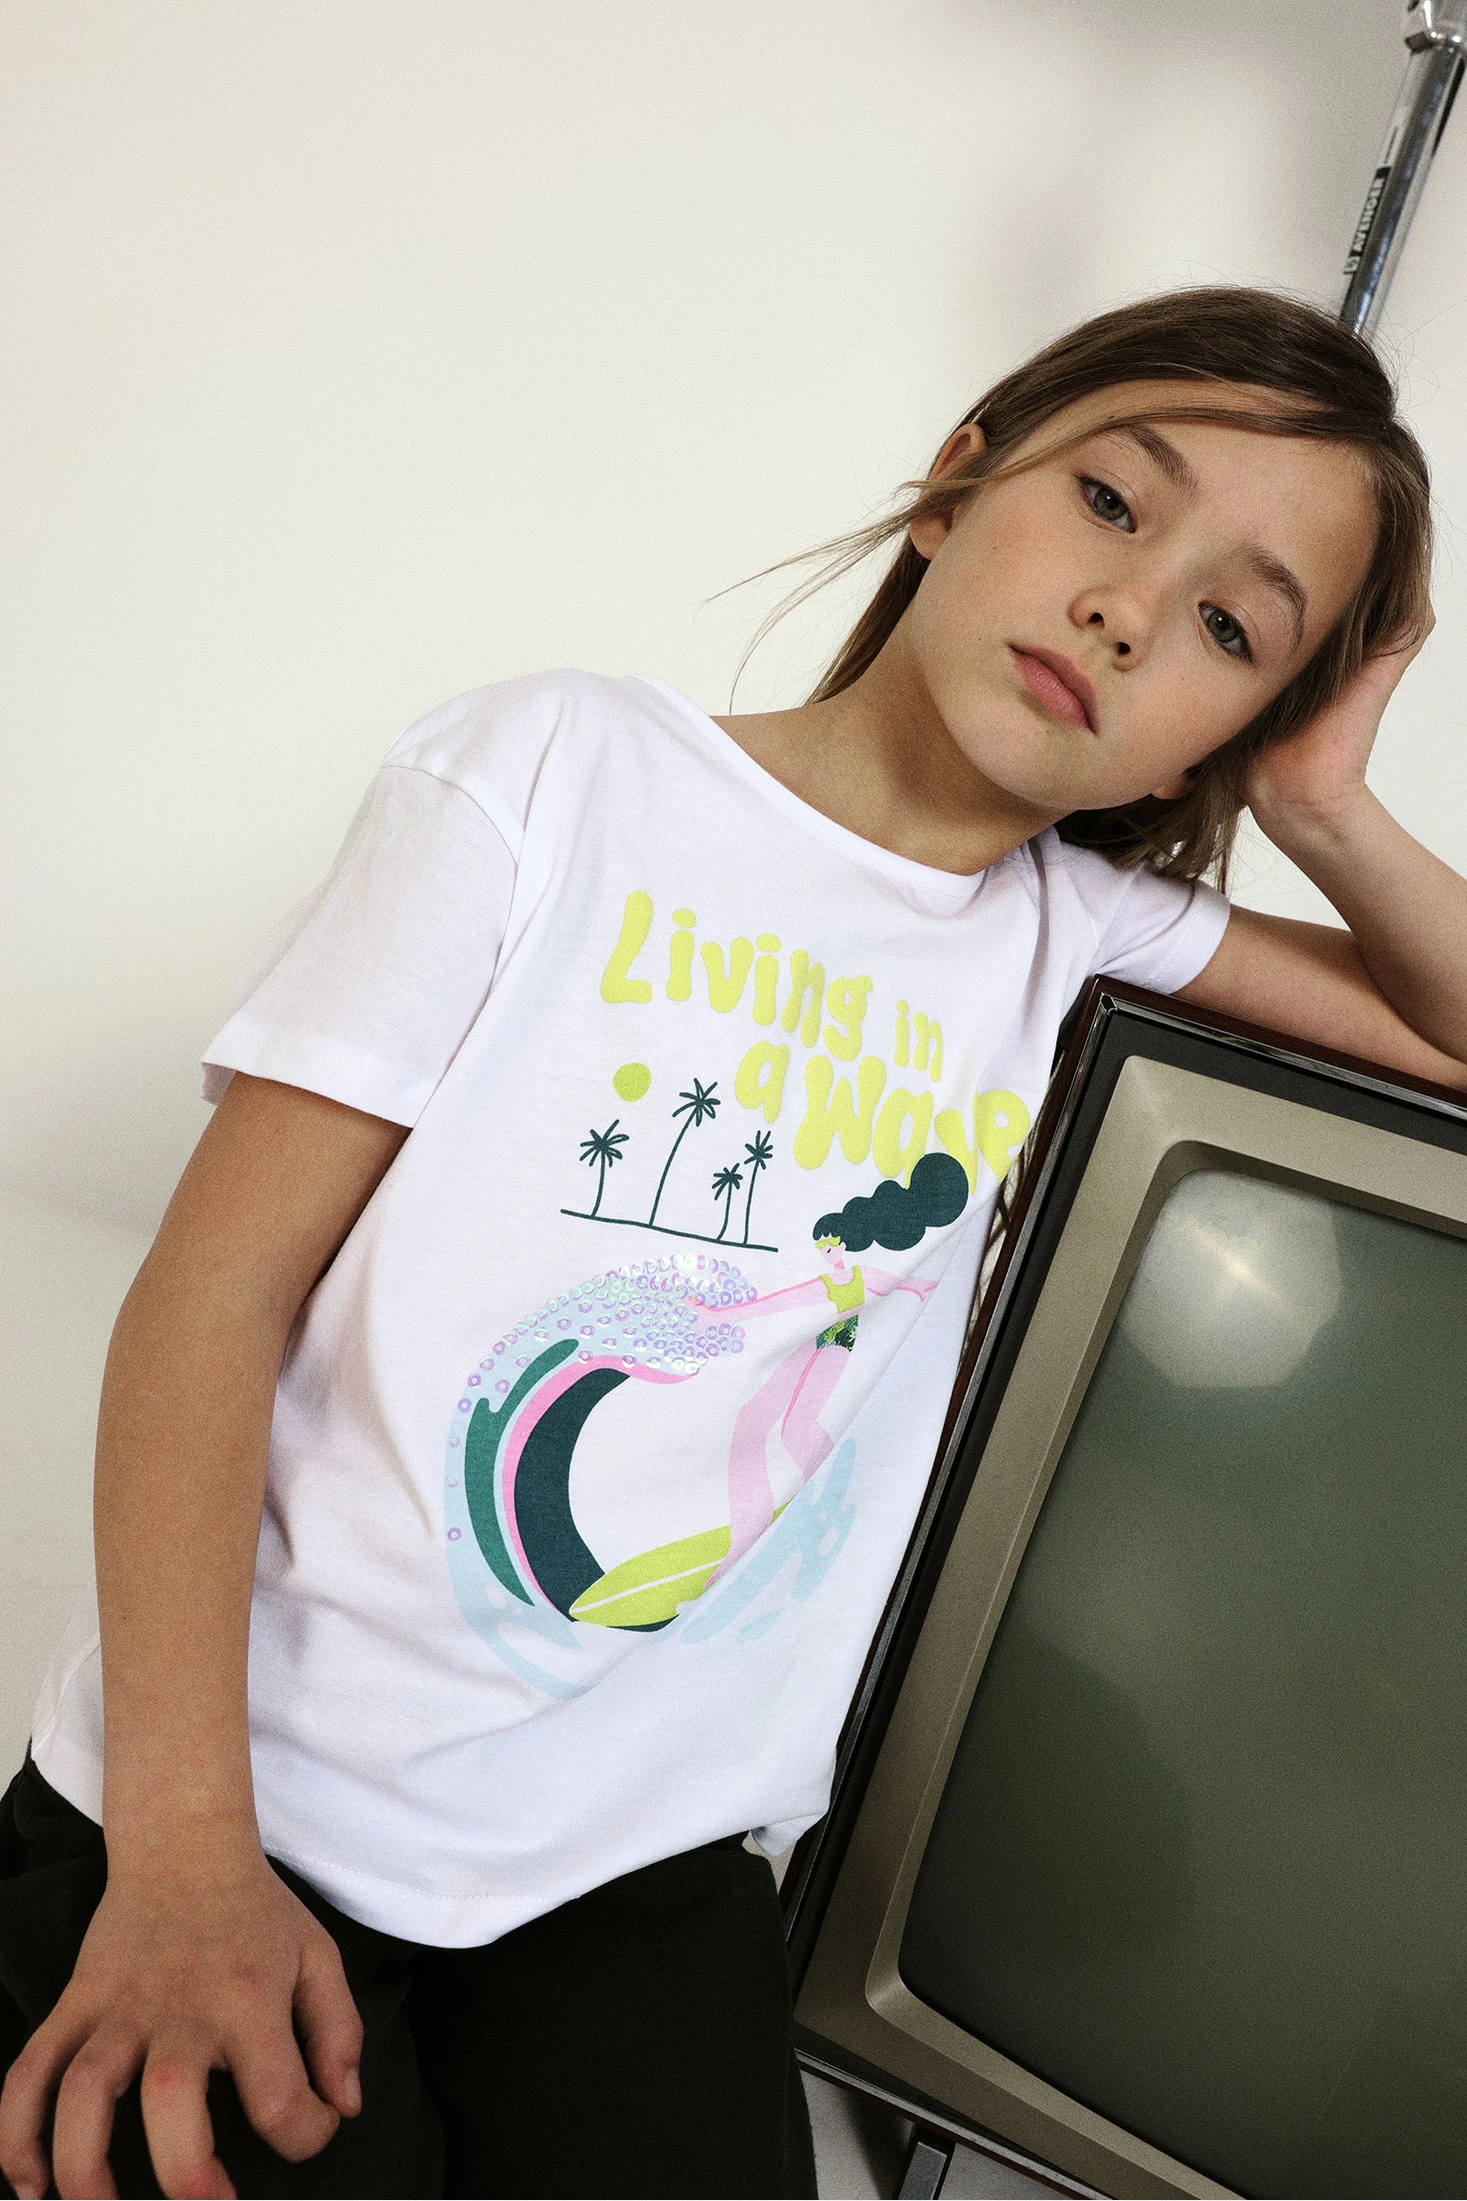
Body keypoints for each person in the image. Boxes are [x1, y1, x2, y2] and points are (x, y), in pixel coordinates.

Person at [3, 285, 1467, 2201]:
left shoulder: (1069, 933)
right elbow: (212, 1301)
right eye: (1112, 501)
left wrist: (1322, 803)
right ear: (952, 484)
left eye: (1227, 630)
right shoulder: (552, 768)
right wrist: (183, 1855)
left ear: (1209, 748)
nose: (1129, 608)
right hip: (237, 1796)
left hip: (631, 1864)